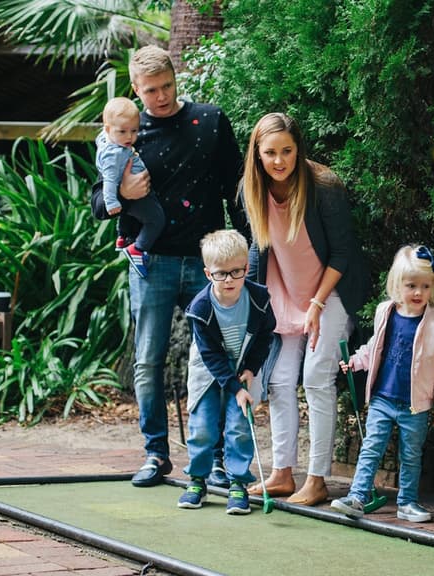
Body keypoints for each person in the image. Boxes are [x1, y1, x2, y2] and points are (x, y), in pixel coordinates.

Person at [90, 45, 247, 488]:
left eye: (167, 87)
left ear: (176, 80)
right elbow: (98, 205)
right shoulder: (124, 134)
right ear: (136, 90)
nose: (159, 97)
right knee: (147, 361)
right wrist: (125, 192)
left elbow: (236, 186)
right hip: (151, 262)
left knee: (217, 358)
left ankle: (216, 460)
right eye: (150, 91)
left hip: (208, 263)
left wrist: (247, 252)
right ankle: (156, 455)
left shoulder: (210, 122)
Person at [241, 112, 370, 506]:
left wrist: (316, 303)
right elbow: (258, 247)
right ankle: (282, 473)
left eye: (287, 151)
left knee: (315, 376)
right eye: (270, 153)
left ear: (299, 149)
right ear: (257, 156)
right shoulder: (251, 189)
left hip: (330, 292)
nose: (279, 161)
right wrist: (249, 299)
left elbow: (344, 253)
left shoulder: (323, 187)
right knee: (280, 380)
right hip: (285, 291)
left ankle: (317, 479)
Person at [330, 244, 434, 523]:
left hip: (416, 403)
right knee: (371, 447)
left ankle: (407, 502)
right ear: (397, 284)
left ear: (433, 287)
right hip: (383, 397)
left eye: (425, 286)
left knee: (411, 454)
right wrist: (356, 361)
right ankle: (357, 496)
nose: (418, 292)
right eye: (411, 285)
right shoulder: (385, 312)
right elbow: (374, 346)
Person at [177, 229, 275, 514]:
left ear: (246, 268)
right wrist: (234, 387)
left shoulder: (258, 299)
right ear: (208, 274)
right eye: (221, 274)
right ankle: (197, 480)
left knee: (238, 427)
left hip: (242, 369)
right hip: (208, 369)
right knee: (203, 427)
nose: (229, 279)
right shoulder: (200, 308)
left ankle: (237, 484)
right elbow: (211, 355)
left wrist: (250, 369)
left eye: (236, 272)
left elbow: (265, 335)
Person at [95, 96, 165, 278]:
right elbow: (109, 180)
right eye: (123, 132)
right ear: (108, 129)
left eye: (134, 131)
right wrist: (112, 201)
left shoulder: (106, 140)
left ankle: (122, 235)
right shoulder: (114, 155)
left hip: (131, 191)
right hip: (136, 193)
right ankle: (138, 248)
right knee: (156, 219)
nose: (130, 137)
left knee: (129, 212)